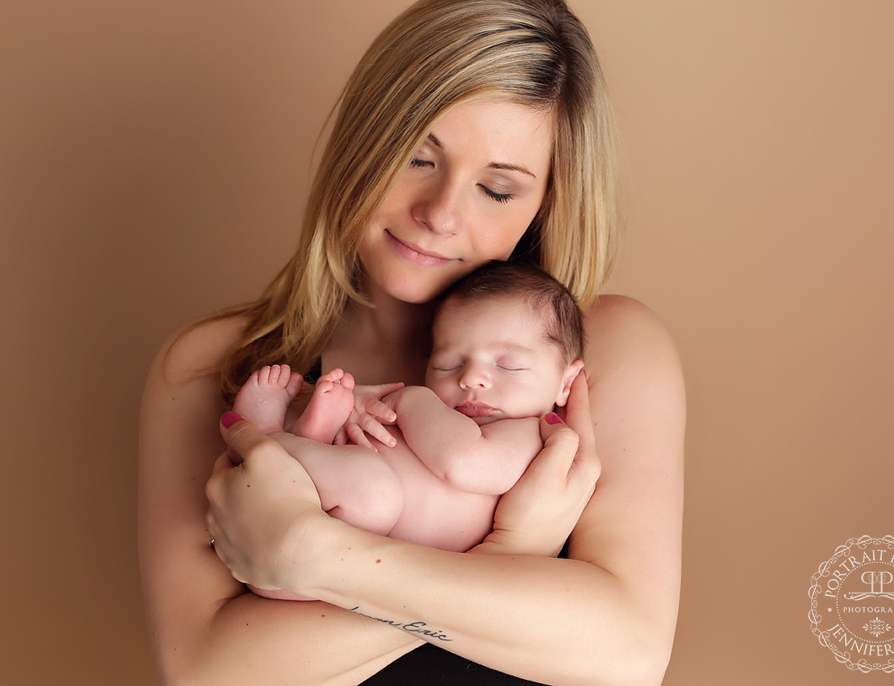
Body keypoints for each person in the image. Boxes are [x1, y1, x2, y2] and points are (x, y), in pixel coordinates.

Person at [139, 1, 685, 684]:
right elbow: (210, 675)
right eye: (418, 157)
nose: (441, 214)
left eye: (495, 188)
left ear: (542, 205)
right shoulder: (211, 367)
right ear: (363, 142)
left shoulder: (610, 349)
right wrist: (510, 556)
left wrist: (318, 558)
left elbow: (625, 655)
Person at [233, 263, 586, 595]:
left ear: (566, 383)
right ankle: (306, 436)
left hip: (331, 563)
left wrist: (408, 400)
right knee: (365, 478)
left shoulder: (534, 436)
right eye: (449, 364)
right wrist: (357, 410)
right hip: (294, 523)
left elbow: (462, 460)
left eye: (509, 366)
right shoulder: (444, 417)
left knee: (374, 490)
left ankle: (268, 437)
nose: (471, 379)